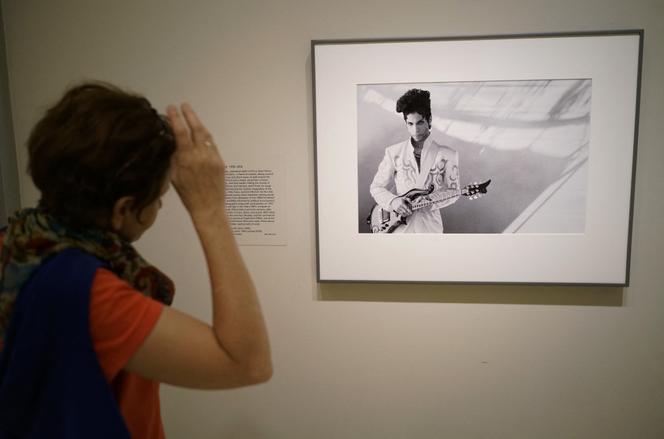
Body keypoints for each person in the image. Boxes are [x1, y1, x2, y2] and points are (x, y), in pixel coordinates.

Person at [0, 82, 272, 438]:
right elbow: (248, 362)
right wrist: (210, 210)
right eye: (158, 198)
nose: (160, 206)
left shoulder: (16, 242)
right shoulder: (87, 293)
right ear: (123, 210)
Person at [369, 88, 460, 233]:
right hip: (398, 230)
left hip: (430, 228)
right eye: (410, 124)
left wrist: (430, 204)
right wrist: (393, 201)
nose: (415, 130)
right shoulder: (393, 152)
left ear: (429, 120)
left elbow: (454, 191)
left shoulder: (448, 154)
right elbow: (376, 187)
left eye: (420, 123)